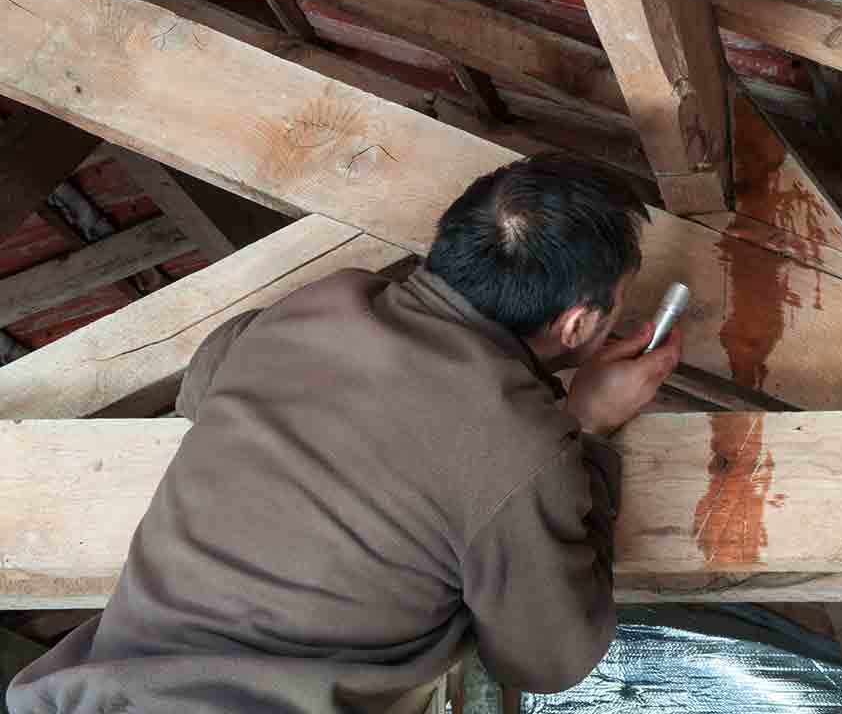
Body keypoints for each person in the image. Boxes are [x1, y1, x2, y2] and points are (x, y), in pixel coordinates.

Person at [7, 153, 682, 714]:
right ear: (576, 327)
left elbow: (202, 384)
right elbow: (546, 657)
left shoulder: (319, 303)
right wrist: (586, 428)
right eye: (620, 300)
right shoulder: (525, 449)